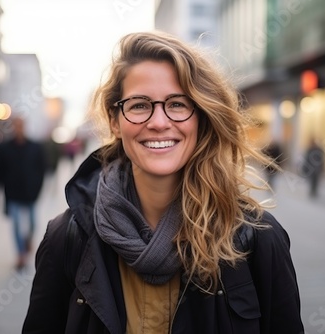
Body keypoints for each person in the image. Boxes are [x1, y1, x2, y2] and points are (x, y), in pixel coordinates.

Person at [23, 31, 304, 333]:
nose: (158, 122)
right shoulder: (67, 238)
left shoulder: (258, 239)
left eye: (178, 104)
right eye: (140, 105)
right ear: (115, 120)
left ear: (201, 117)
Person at [0, 116, 46, 270]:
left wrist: (38, 188)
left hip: (30, 193)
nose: (18, 129)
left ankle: (27, 240)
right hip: (13, 193)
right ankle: (20, 254)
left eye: (21, 125)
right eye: (16, 126)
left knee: (33, 223)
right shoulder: (5, 148)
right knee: (15, 225)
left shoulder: (35, 147)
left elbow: (42, 170)